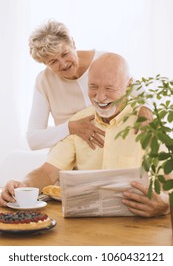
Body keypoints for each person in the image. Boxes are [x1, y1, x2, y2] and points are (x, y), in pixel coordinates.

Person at [0, 53, 169, 218]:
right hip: (84, 226)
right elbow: (48, 172)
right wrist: (22, 186)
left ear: (129, 86)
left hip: (136, 223)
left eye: (110, 88)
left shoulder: (146, 122)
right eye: (93, 87)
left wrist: (166, 204)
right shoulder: (80, 123)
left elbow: (168, 178)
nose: (100, 97)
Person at [26, 19, 152, 150]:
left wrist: (145, 109)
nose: (63, 64)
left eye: (65, 54)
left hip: (113, 148)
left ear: (73, 44)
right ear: (45, 63)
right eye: (53, 61)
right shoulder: (44, 81)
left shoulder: (104, 62)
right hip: (70, 156)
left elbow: (146, 97)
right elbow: (33, 139)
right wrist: (70, 128)